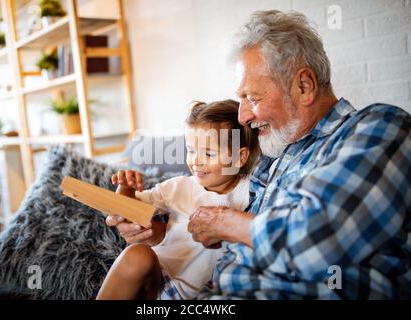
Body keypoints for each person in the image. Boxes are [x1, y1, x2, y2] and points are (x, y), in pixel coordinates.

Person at [108, 10, 411, 299]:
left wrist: (225, 223)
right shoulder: (273, 154)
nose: (242, 116)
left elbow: (316, 241)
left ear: (303, 86)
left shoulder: (380, 128)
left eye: (252, 98)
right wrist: (155, 231)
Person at [96, 99, 260, 300]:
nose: (196, 161)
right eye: (191, 151)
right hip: (157, 278)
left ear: (239, 157)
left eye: (208, 153)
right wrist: (126, 187)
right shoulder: (181, 187)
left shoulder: (252, 191)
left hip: (201, 294)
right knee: (138, 254)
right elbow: (128, 209)